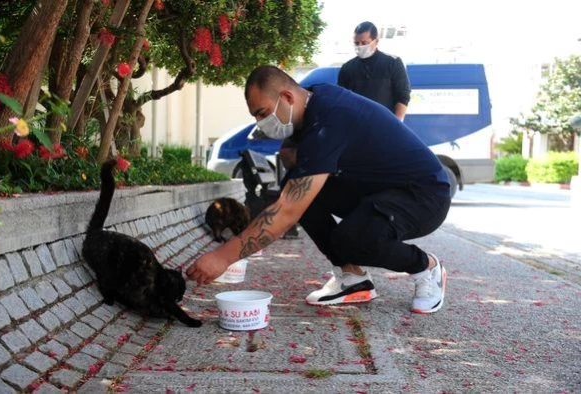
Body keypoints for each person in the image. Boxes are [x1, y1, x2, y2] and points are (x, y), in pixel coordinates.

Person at [186, 65, 451, 314]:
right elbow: (297, 178)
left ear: (287, 97)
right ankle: (352, 278)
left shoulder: (330, 120)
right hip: (379, 191)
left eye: (263, 113)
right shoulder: (315, 104)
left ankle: (426, 268)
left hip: (424, 196)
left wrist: (224, 256)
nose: (260, 124)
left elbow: (287, 211)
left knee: (352, 238)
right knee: (300, 187)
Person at [338, 21, 411, 121]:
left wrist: (397, 125)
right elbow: (342, 99)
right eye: (356, 43)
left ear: (376, 41)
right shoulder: (347, 68)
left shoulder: (393, 63)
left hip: (385, 125)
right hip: (357, 126)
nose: (360, 46)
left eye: (364, 43)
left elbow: (403, 96)